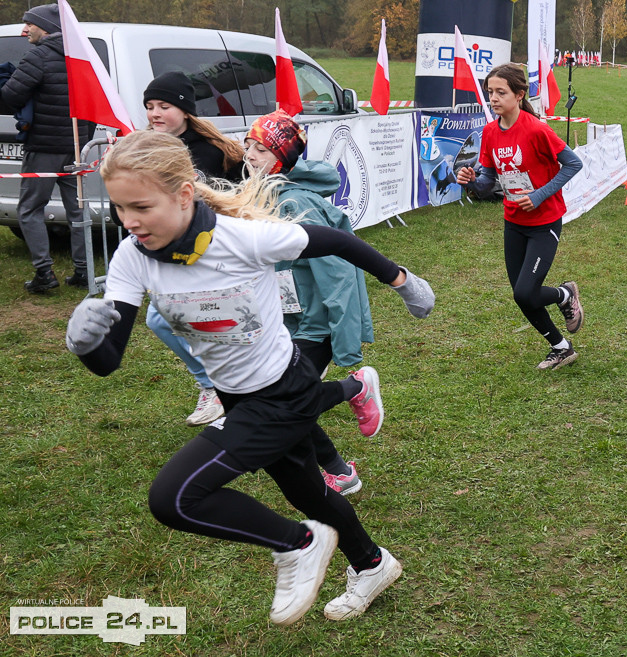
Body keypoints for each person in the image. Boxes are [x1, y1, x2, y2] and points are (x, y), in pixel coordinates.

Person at [64, 128, 435, 624]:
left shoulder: (243, 239)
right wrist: (85, 344)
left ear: (183, 195)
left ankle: (298, 544)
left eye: (142, 207)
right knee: (310, 495)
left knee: (174, 497)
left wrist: (404, 282)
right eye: (119, 209)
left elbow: (339, 241)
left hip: (282, 392)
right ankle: (371, 564)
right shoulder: (133, 259)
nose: (130, 223)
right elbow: (109, 361)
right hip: (237, 397)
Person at [243, 109, 381, 495]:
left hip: (315, 324)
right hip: (287, 321)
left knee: (283, 403)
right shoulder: (264, 193)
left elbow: (336, 273)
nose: (250, 155)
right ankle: (340, 472)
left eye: (261, 150)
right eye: (248, 146)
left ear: (282, 159)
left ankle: (356, 389)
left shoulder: (295, 205)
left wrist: (345, 339)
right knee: (282, 399)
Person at [455, 63, 584, 370]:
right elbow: (489, 182)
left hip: (544, 222)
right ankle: (561, 347)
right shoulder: (489, 132)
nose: (494, 98)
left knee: (527, 290)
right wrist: (471, 180)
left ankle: (565, 294)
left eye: (501, 92)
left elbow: (573, 164)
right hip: (514, 223)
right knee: (522, 295)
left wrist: (538, 195)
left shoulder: (537, 129)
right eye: (490, 92)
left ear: (519, 94)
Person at [141, 72, 246, 425]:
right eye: (150, 106)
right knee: (159, 318)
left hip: (217, 254)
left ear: (185, 110)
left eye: (164, 106)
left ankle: (232, 386)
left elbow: (236, 201)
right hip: (176, 255)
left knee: (219, 324)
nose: (154, 113)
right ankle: (215, 386)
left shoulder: (212, 152)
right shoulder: (147, 150)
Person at [0, 3, 95, 293]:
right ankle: (83, 271)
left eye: (29, 24)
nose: (24, 30)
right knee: (78, 210)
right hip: (77, 147)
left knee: (29, 209)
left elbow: (8, 100)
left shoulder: (38, 56)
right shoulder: (81, 56)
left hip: (43, 147)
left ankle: (44, 273)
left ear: (47, 28)